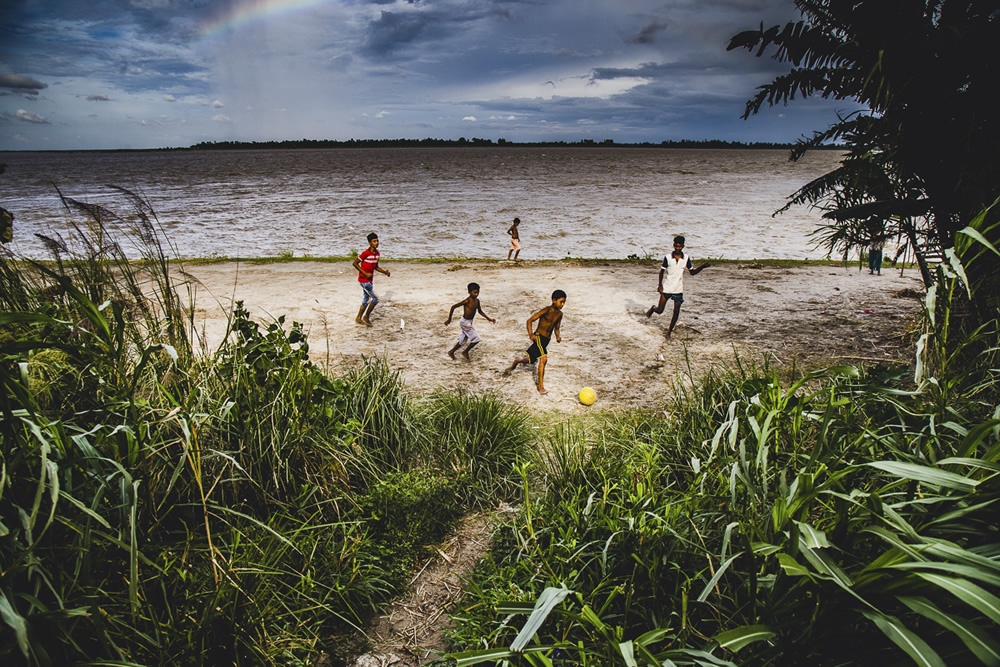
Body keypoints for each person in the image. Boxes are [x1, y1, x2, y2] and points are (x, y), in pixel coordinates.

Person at [645, 235, 708, 339]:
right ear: (673, 245)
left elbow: (692, 272)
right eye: (676, 246)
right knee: (660, 310)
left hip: (678, 288)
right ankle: (653, 308)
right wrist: (660, 285)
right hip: (667, 287)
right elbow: (661, 272)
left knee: (676, 311)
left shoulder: (686, 258)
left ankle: (669, 332)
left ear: (683, 246)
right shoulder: (668, 258)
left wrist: (702, 267)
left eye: (680, 246)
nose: (678, 248)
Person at [505, 289, 566, 395]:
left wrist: (558, 336)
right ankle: (540, 386)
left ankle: (517, 361)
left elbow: (557, 328)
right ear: (553, 300)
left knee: (531, 360)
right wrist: (531, 334)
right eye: (561, 302)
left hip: (546, 340)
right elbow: (529, 320)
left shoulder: (560, 314)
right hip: (538, 337)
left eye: (564, 302)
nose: (562, 304)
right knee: (544, 358)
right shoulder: (546, 310)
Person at [445, 282, 496, 360]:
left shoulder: (477, 301)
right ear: (469, 292)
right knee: (477, 339)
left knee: (463, 339)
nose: (476, 294)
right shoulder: (467, 301)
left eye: (478, 292)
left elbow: (480, 311)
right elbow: (453, 307)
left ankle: (451, 352)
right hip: (465, 323)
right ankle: (465, 351)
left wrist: (489, 319)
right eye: (474, 292)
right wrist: (449, 319)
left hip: (469, 322)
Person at [352, 232, 390, 326]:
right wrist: (364, 273)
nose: (376, 243)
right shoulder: (366, 253)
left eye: (377, 241)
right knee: (375, 299)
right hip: (364, 280)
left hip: (370, 280)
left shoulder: (377, 254)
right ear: (369, 243)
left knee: (366, 299)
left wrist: (385, 272)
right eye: (374, 241)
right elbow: (355, 263)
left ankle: (358, 318)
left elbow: (376, 267)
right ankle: (366, 317)